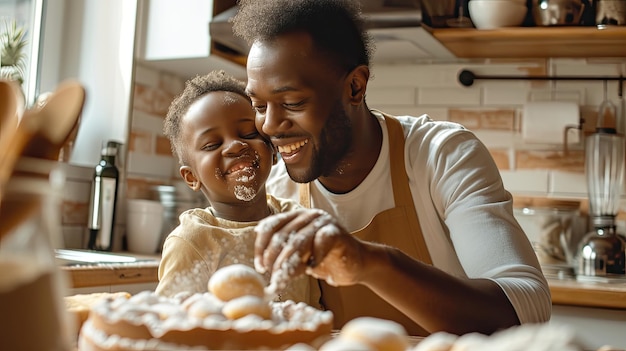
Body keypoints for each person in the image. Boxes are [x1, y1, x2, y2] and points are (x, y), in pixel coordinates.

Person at [232, 0, 551, 337]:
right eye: (259, 105)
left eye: (292, 103)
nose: (269, 125)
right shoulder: (277, 194)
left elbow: (527, 308)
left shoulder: (441, 156)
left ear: (355, 87)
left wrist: (368, 262)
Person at [155, 70, 320, 307]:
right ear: (191, 177)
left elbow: (315, 308)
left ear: (272, 151)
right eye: (212, 144)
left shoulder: (298, 223)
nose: (235, 145)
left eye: (248, 133)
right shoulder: (193, 241)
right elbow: (170, 324)